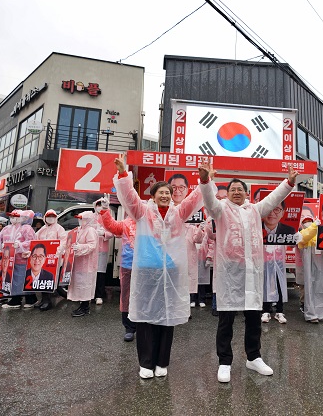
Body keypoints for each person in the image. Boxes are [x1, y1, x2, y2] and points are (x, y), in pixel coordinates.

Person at [200, 161, 297, 383]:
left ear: (247, 193)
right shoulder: (220, 209)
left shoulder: (254, 209)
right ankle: (225, 361)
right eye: (232, 189)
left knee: (253, 318)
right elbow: (209, 200)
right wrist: (206, 181)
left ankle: (253, 357)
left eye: (240, 189)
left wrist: (289, 182)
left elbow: (273, 198)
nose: (236, 192)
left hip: (252, 274)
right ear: (228, 193)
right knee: (226, 319)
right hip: (229, 274)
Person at [115, 155, 204, 379]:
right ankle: (146, 363)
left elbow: (194, 200)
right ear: (153, 196)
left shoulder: (178, 213)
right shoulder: (143, 213)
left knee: (167, 316)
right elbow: (129, 197)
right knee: (145, 317)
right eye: (161, 192)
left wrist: (204, 181)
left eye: (168, 192)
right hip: (147, 271)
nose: (165, 195)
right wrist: (124, 175)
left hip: (171, 271)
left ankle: (162, 361)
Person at [168, 173, 205, 308]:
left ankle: (183, 311)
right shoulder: (165, 208)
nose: (177, 191)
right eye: (174, 187)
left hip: (187, 256)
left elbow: (198, 239)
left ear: (188, 189)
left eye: (181, 187)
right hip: (169, 257)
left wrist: (201, 228)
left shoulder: (194, 211)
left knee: (185, 286)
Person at [101, 206, 137, 341]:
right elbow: (112, 227)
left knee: (145, 295)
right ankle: (129, 327)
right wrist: (105, 211)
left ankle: (145, 327)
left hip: (146, 265)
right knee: (126, 294)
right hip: (127, 264)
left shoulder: (149, 222)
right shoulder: (126, 223)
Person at [297, 217, 323, 323]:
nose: (308, 223)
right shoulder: (302, 233)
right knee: (311, 289)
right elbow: (304, 237)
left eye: (309, 221)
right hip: (311, 267)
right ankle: (312, 314)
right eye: (305, 222)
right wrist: (314, 226)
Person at [0, 210, 36, 309]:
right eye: (11, 216)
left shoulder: (26, 228)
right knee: (15, 279)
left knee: (22, 279)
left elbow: (31, 242)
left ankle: (23, 298)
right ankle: (19, 298)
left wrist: (20, 246)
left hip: (22, 258)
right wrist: (0, 247)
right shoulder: (7, 228)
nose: (13, 218)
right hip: (10, 259)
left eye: (16, 216)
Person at [33, 209, 67, 311]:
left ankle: (48, 301)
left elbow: (64, 241)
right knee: (42, 279)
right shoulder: (42, 229)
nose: (50, 218)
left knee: (50, 279)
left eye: (53, 216)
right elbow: (35, 240)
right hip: (43, 259)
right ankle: (44, 299)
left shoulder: (59, 229)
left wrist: (59, 250)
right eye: (48, 216)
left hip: (54, 259)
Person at [67, 211, 99, 317]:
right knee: (80, 284)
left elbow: (92, 245)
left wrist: (80, 247)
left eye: (82, 219)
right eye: (79, 218)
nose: (80, 220)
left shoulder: (90, 230)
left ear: (88, 219)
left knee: (85, 285)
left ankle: (85, 307)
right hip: (78, 263)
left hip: (87, 264)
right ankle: (83, 305)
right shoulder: (78, 229)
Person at [92, 197, 113, 305]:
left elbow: (112, 232)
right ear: (95, 206)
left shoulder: (107, 217)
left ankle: (99, 295)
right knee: (91, 273)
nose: (99, 207)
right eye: (98, 204)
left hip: (102, 249)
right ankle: (90, 295)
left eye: (101, 205)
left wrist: (103, 233)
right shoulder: (91, 218)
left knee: (100, 273)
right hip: (91, 249)